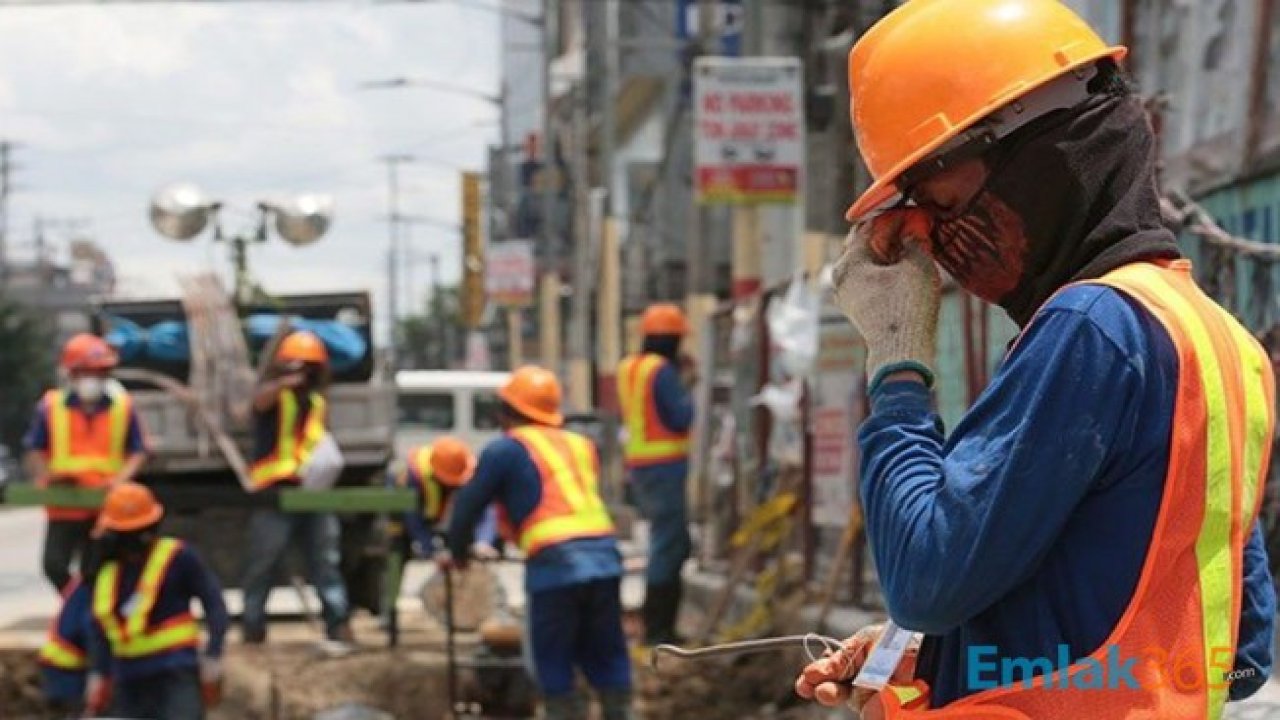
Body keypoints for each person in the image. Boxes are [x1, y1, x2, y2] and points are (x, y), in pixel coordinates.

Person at [794, 1, 1276, 718]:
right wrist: (949, 652)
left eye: (937, 194)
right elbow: (1240, 653)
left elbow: (925, 579)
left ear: (1041, 158)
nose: (926, 233)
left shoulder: (1091, 328)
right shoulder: (1219, 341)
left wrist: (897, 366)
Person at [447, 366, 633, 720]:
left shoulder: (505, 449)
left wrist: (458, 553)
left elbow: (469, 505)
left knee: (552, 660)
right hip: (605, 557)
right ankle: (620, 712)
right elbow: (544, 495)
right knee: (607, 653)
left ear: (507, 412)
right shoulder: (581, 445)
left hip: (555, 563)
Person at [242, 330, 352, 644]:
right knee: (263, 561)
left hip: (312, 490)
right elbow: (259, 402)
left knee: (325, 561)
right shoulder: (275, 396)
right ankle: (253, 628)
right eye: (295, 367)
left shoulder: (317, 402)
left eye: (308, 369)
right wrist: (280, 384)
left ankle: (337, 623)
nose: (301, 375)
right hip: (275, 492)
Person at [85, 483, 228, 720]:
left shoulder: (178, 557)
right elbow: (100, 627)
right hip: (129, 680)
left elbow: (214, 604)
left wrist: (213, 654)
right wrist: (99, 673)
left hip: (174, 672)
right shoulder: (107, 572)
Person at [24, 332, 149, 593]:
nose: (94, 378)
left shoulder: (122, 407)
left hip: (105, 505)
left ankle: (92, 615)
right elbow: (35, 448)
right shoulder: (50, 406)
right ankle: (78, 606)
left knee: (97, 569)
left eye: (100, 372)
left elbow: (138, 451)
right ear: (72, 373)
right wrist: (48, 476)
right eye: (87, 372)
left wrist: (120, 480)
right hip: (65, 502)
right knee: (55, 566)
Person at [616, 303, 695, 644]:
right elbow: (681, 416)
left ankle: (656, 626)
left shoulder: (628, 367)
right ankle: (659, 630)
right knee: (669, 546)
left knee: (669, 542)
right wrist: (687, 384)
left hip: (641, 467)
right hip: (664, 468)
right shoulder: (661, 371)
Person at [396, 435, 499, 558]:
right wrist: (429, 546)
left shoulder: (470, 468)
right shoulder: (414, 475)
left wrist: (484, 541)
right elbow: (412, 516)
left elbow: (486, 509)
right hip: (423, 526)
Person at [37, 573, 93, 718]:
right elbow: (88, 633)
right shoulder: (91, 586)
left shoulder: (83, 583)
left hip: (59, 665)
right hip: (67, 670)